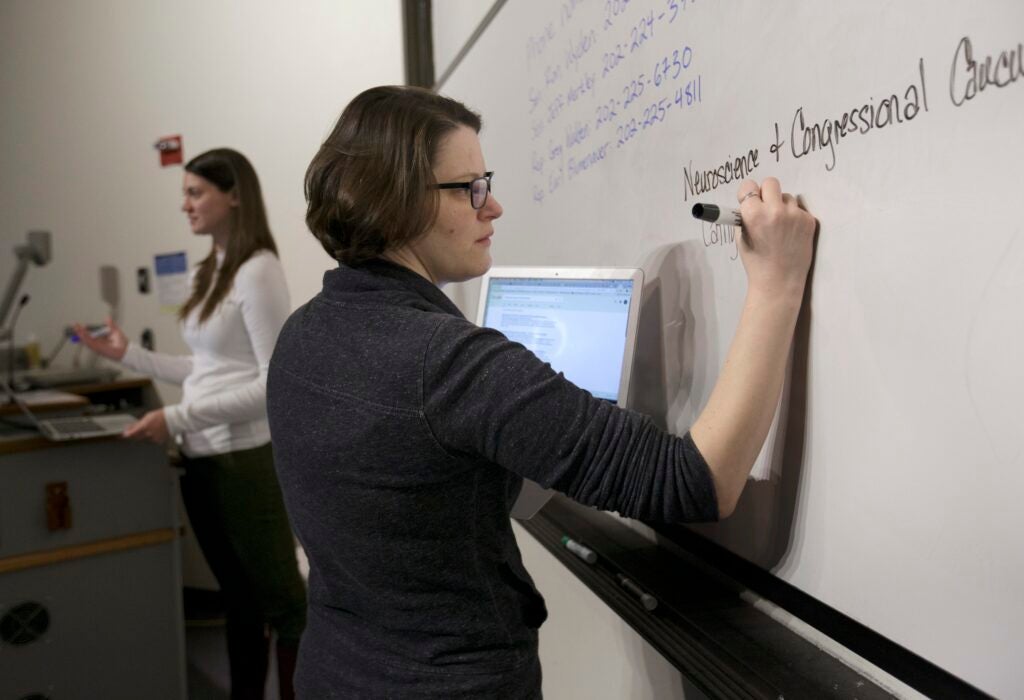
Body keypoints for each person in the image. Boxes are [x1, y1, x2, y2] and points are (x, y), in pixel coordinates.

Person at [266, 86, 817, 699]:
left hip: (335, 674)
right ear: (395, 199)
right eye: (470, 187)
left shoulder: (304, 332)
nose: (493, 206)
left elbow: (406, 488)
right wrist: (777, 284)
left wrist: (544, 426)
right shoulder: (451, 365)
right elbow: (695, 481)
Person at [74, 148, 306, 700]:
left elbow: (273, 384)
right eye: (184, 193)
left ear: (235, 196)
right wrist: (128, 355)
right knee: (239, 598)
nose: (185, 205)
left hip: (243, 458)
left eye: (195, 192)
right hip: (203, 455)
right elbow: (207, 370)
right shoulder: (214, 270)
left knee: (286, 605)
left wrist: (174, 417)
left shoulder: (257, 271)